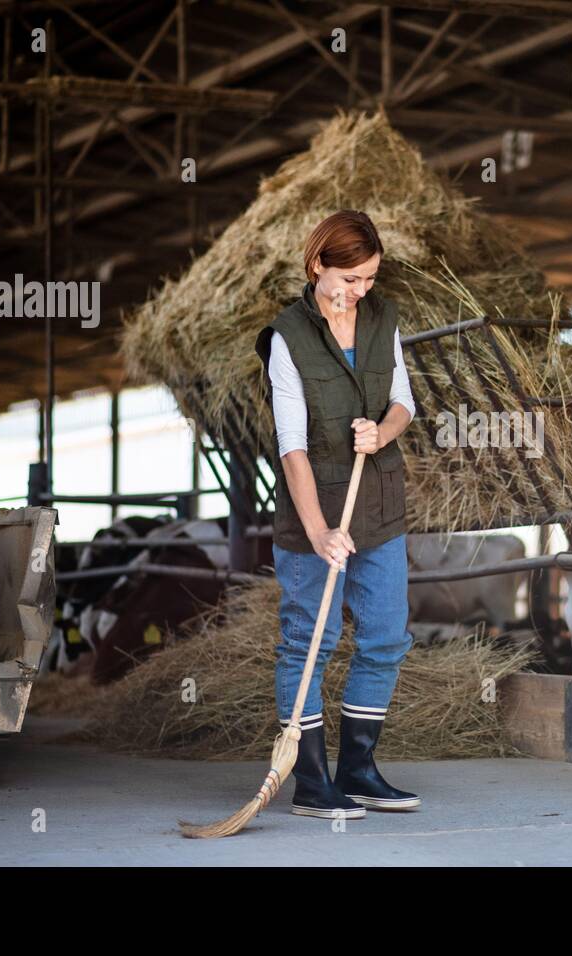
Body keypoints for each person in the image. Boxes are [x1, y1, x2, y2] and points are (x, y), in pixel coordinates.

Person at [254, 209, 420, 819]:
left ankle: (358, 770)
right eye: (348, 279)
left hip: (378, 502)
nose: (359, 292)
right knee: (310, 640)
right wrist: (320, 530)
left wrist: (383, 431)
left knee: (384, 635)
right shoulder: (286, 339)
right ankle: (311, 780)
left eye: (370, 279)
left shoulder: (384, 320)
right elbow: (291, 446)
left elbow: (403, 400)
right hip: (313, 513)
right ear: (317, 264)